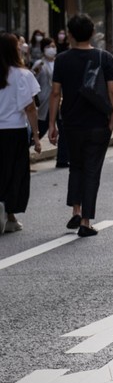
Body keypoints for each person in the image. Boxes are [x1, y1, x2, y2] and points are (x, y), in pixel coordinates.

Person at [48, 14, 113, 238]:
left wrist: (51, 124)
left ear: (69, 34)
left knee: (75, 166)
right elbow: (112, 91)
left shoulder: (62, 59)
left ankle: (76, 209)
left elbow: (56, 92)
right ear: (92, 34)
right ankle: (85, 222)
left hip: (71, 123)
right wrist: (112, 118)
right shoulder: (104, 58)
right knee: (92, 171)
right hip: (98, 123)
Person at [0, 33, 42, 235]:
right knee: (15, 173)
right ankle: (9, 214)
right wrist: (35, 135)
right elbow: (31, 108)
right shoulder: (23, 75)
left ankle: (6, 213)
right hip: (14, 131)